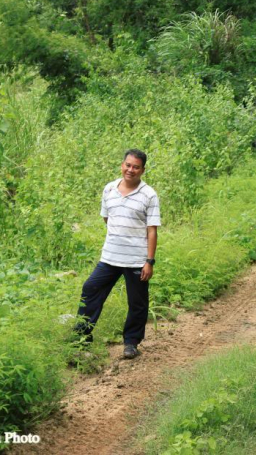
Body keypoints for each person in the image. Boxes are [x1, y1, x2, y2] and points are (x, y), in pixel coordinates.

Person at [74, 149, 160, 359]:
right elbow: (108, 219)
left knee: (137, 302)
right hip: (110, 257)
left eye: (136, 167)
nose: (131, 170)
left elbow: (152, 230)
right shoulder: (109, 189)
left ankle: (131, 342)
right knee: (90, 289)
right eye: (128, 165)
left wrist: (149, 261)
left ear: (143, 170)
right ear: (122, 165)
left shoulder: (149, 194)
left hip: (136, 260)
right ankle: (81, 338)